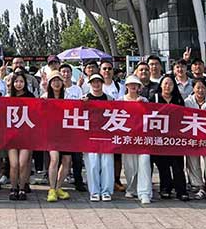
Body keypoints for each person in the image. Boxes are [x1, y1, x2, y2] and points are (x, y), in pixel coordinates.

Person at [152, 75, 188, 201]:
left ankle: (181, 191)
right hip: (159, 138)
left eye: (170, 84)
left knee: (178, 165)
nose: (168, 86)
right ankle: (165, 189)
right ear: (161, 85)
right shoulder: (155, 98)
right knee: (163, 166)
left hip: (175, 138)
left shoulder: (178, 99)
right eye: (165, 83)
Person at [119, 76, 152, 205]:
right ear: (126, 86)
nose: (133, 87)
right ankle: (131, 188)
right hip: (127, 139)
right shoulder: (120, 100)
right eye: (130, 84)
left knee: (144, 162)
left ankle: (144, 192)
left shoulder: (144, 100)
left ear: (139, 87)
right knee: (129, 167)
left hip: (143, 139)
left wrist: (143, 106)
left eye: (136, 84)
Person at [83, 73, 114, 201]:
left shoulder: (109, 99)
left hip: (106, 136)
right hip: (90, 136)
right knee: (93, 164)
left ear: (102, 83)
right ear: (90, 84)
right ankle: (94, 191)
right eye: (93, 82)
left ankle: (106, 191)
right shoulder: (84, 99)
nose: (96, 84)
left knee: (107, 163)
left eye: (98, 82)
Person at [42, 71, 72, 203]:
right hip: (51, 133)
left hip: (66, 133)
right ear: (49, 83)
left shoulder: (69, 96)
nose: (56, 83)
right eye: (53, 80)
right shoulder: (44, 96)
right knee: (54, 159)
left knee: (66, 160)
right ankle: (51, 189)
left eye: (58, 80)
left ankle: (59, 187)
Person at [6, 70, 34, 201]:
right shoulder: (8, 98)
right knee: (14, 164)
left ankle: (22, 188)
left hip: (26, 136)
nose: (18, 84)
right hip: (11, 136)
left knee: (23, 163)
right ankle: (13, 188)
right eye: (16, 81)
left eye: (21, 81)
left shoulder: (31, 97)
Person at [59, 63, 86, 192]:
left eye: (67, 71)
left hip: (75, 127)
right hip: (59, 128)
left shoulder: (77, 89)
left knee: (77, 157)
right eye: (63, 72)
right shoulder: (56, 90)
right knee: (60, 158)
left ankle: (78, 180)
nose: (65, 74)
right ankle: (57, 183)